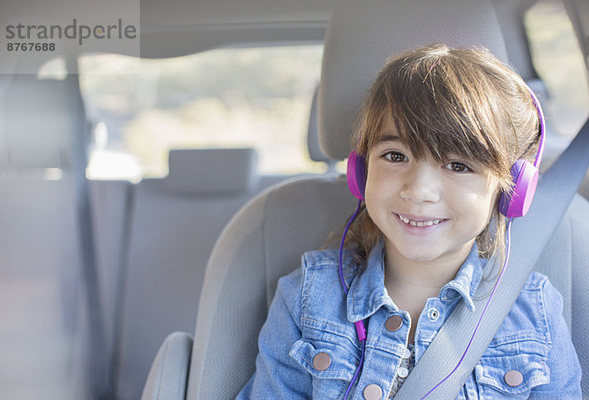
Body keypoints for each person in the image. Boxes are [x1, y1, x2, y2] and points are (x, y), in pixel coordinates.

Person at [236, 44, 582, 399]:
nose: (418, 190)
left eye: (458, 165)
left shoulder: (531, 312)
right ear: (361, 170)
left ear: (512, 191)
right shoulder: (308, 299)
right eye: (395, 155)